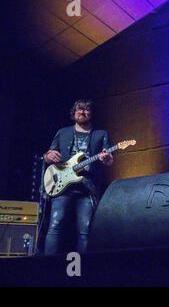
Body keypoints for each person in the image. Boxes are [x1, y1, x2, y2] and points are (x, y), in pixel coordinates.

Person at [43, 99, 113, 255]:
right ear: (73, 113)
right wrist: (49, 156)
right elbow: (48, 155)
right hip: (61, 184)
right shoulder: (63, 132)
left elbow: (109, 160)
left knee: (85, 229)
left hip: (87, 186)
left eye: (86, 109)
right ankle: (46, 266)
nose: (82, 112)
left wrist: (107, 159)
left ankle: (83, 269)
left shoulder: (101, 134)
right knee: (55, 225)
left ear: (91, 113)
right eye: (79, 109)